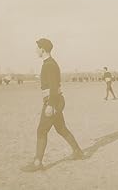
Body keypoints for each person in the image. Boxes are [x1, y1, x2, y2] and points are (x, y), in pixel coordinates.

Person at [21, 38, 84, 172]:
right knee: (61, 128)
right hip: (56, 100)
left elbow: (54, 86)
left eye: (37, 47)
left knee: (41, 130)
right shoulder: (49, 63)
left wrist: (50, 105)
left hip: (53, 100)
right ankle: (78, 152)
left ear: (42, 49)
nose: (35, 50)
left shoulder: (49, 64)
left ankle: (37, 163)